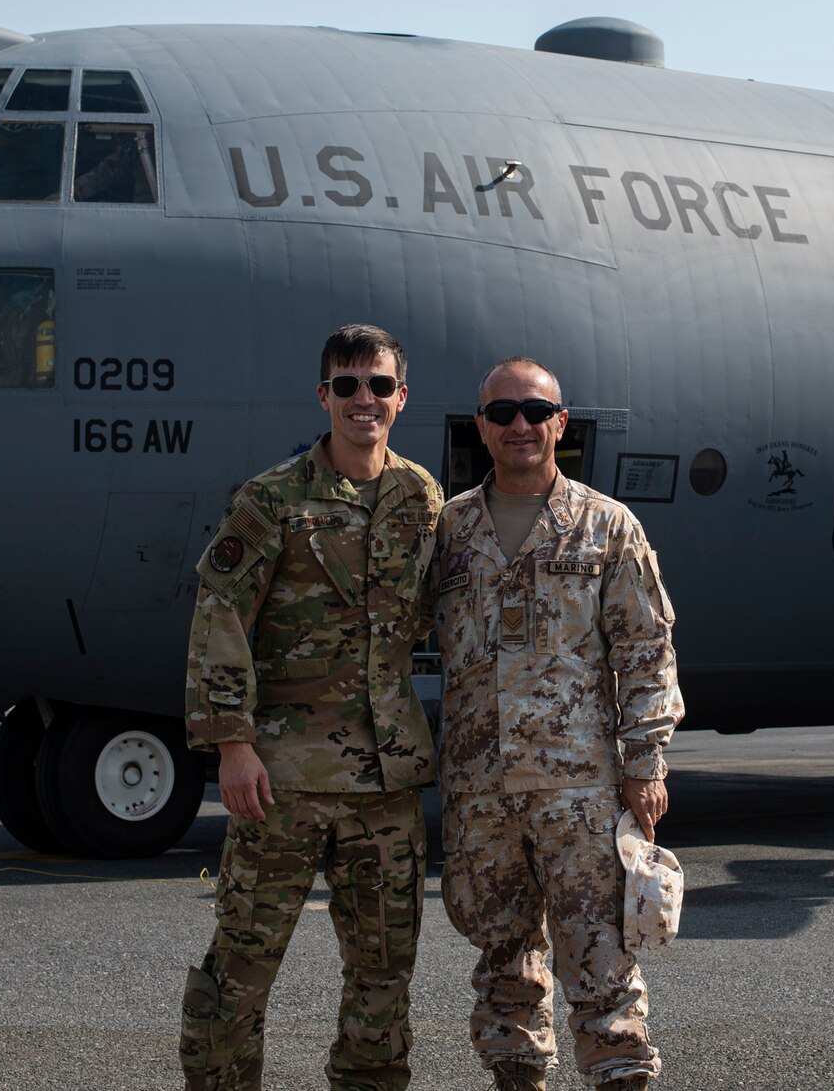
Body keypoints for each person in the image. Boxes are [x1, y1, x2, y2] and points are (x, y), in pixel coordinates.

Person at [180, 324, 444, 1091]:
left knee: (384, 977)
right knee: (238, 972)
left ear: (401, 397)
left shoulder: (419, 496)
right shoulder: (273, 498)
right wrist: (231, 742)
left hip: (386, 785)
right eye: (349, 385)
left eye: (380, 385)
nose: (366, 399)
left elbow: (432, 610)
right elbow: (220, 611)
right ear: (323, 396)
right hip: (283, 781)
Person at [433, 356, 685, 1091]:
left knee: (600, 952)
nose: (520, 425)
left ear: (560, 423)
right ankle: (516, 1078)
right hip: (481, 790)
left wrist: (646, 763)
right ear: (481, 426)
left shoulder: (607, 526)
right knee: (503, 956)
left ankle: (620, 1078)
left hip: (578, 789)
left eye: (536, 412)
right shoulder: (449, 529)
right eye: (503, 411)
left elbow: (646, 647)